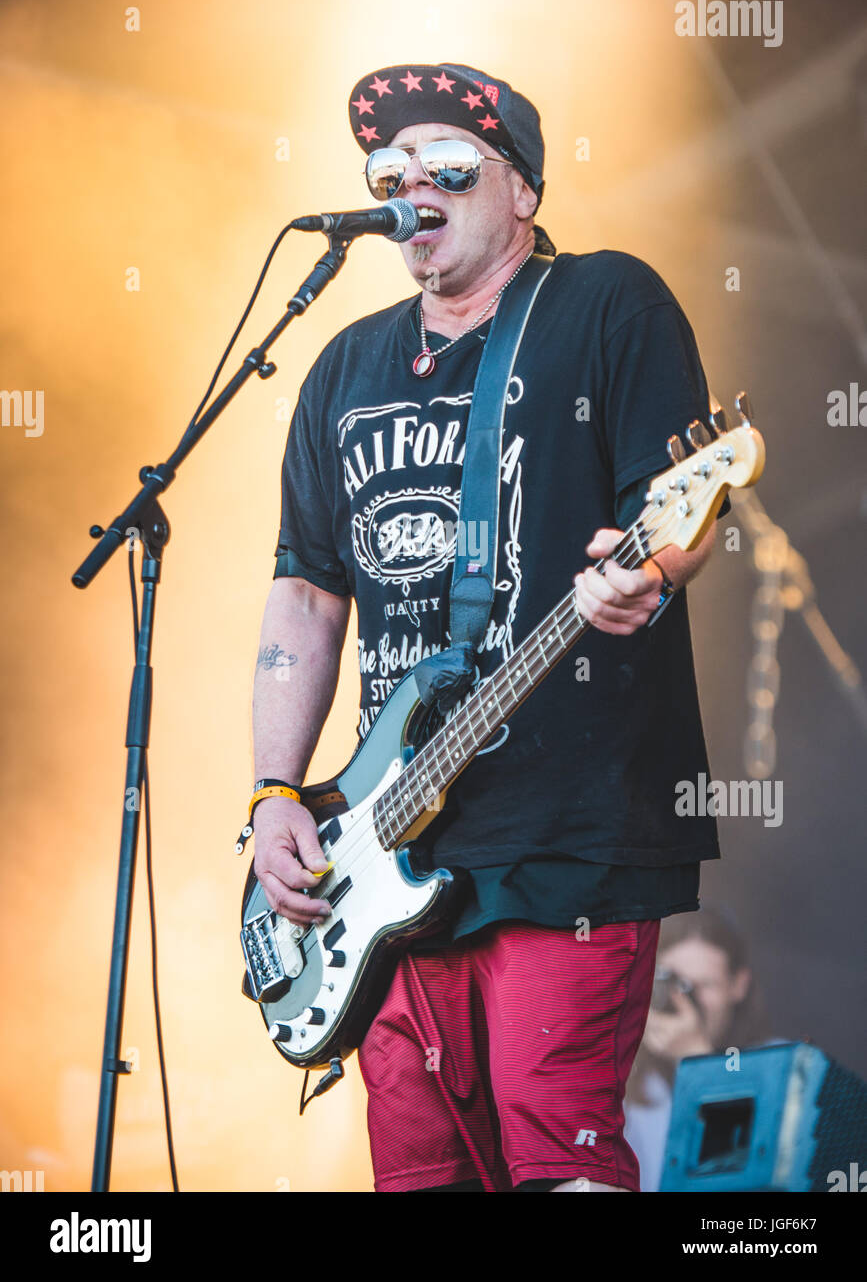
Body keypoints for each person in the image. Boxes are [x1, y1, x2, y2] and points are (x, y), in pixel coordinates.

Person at [251, 60, 724, 1192]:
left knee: (555, 1143)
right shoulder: (344, 367)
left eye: (449, 167)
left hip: (567, 824)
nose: (413, 188)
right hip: (389, 837)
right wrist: (275, 794)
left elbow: (683, 512)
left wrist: (646, 574)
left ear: (522, 190)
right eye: (388, 171)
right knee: (418, 1171)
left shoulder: (608, 303)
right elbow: (308, 594)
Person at [624, 907, 771, 1192]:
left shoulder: (779, 1064)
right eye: (676, 984)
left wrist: (696, 1058)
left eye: (705, 985)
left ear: (738, 985)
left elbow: (758, 1166)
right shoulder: (620, 1080)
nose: (689, 1000)